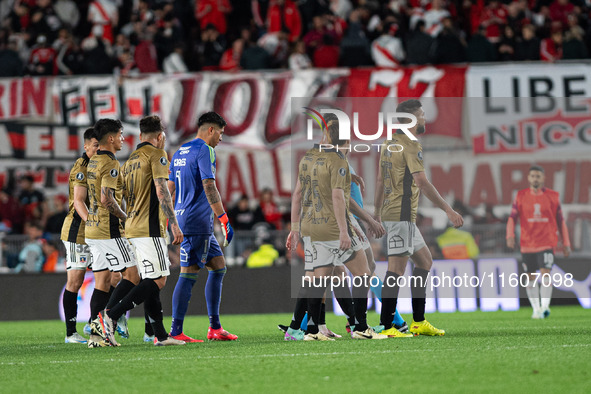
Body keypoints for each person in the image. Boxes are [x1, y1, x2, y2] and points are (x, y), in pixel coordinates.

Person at [285, 116, 388, 341]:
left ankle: (310, 331)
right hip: (333, 226)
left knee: (317, 281)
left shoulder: (308, 159)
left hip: (311, 228)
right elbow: (338, 196)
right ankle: (360, 326)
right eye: (348, 143)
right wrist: (345, 229)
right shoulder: (338, 160)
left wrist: (294, 229)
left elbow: (297, 195)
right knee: (362, 273)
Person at [374, 99, 463, 337]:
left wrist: (376, 214)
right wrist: (448, 209)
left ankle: (418, 321)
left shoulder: (389, 143)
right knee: (395, 270)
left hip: (401, 216)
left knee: (424, 262)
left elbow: (381, 180)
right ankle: (387, 325)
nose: (425, 118)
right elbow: (422, 182)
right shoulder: (411, 144)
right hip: (400, 214)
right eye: (422, 114)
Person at [98, 115, 185, 346]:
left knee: (146, 278)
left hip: (132, 227)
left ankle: (161, 336)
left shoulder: (128, 162)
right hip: (150, 227)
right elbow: (161, 190)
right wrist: (174, 223)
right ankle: (111, 314)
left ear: (139, 136)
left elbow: (119, 198)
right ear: (160, 136)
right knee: (159, 279)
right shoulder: (157, 155)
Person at [168, 112, 238, 342]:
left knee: (218, 266)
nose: (220, 138)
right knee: (188, 274)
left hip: (183, 218)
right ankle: (176, 331)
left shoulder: (180, 152)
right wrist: (223, 218)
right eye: (220, 133)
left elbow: (169, 188)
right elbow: (209, 185)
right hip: (197, 221)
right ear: (211, 130)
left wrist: (169, 218)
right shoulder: (205, 150)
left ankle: (215, 327)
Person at [83, 118, 139, 348]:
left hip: (92, 228)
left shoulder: (93, 161)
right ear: (112, 138)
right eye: (121, 134)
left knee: (102, 281)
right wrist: (126, 219)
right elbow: (107, 198)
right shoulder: (111, 163)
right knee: (133, 276)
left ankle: (96, 337)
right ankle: (108, 320)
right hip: (108, 230)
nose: (124, 138)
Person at [506, 165, 571, 319]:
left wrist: (566, 242)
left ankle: (545, 306)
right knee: (530, 277)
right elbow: (512, 217)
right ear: (528, 178)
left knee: (546, 273)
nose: (535, 179)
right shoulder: (520, 196)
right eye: (532, 176)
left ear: (543, 178)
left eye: (538, 176)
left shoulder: (553, 196)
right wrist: (510, 235)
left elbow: (561, 220)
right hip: (527, 243)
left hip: (547, 242)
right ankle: (536, 309)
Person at [60, 127, 99, 344]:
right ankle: (70, 333)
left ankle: (93, 322)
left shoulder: (99, 164)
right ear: (85, 146)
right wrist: (92, 222)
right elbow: (78, 201)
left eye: (99, 145)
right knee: (75, 281)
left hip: (95, 232)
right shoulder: (81, 167)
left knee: (112, 275)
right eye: (94, 145)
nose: (97, 148)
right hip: (78, 232)